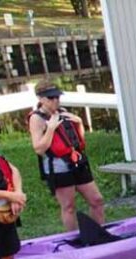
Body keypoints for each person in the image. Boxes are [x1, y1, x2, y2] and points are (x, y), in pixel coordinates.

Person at [28, 80, 104, 231]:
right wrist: (50, 129)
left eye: (57, 97)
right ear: (41, 99)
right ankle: (74, 238)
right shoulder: (36, 119)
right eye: (51, 98)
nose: (55, 101)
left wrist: (80, 123)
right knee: (68, 206)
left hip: (77, 161)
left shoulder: (63, 112)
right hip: (58, 166)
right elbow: (39, 148)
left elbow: (79, 141)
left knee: (97, 200)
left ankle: (98, 233)